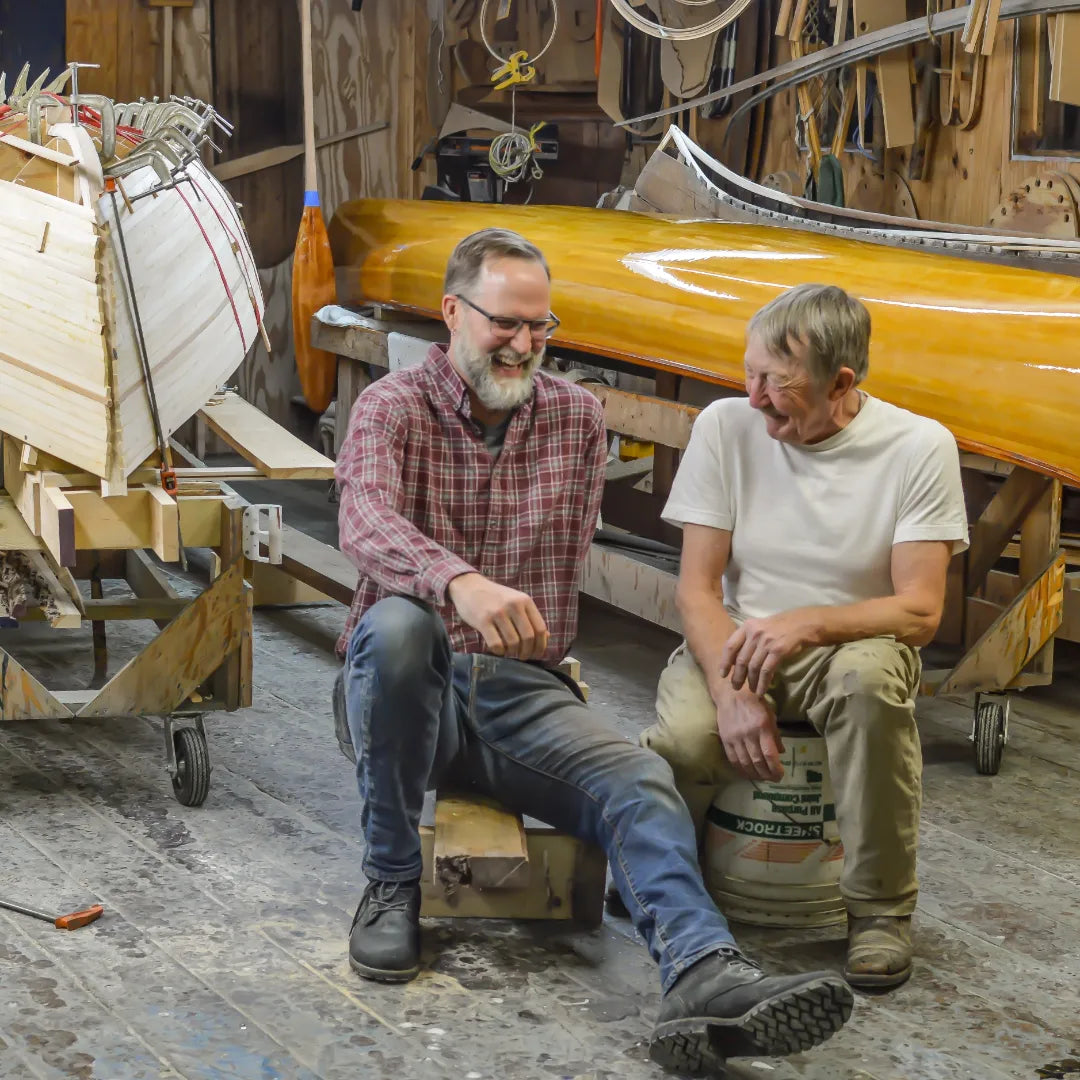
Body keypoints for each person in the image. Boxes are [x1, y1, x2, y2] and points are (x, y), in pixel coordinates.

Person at [333, 230, 853, 1073]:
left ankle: (701, 971)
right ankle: (392, 880)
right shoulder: (390, 407)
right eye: (506, 324)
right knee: (400, 626)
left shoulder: (575, 420)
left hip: (516, 693)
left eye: (542, 328)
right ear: (453, 312)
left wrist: (537, 675)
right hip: (401, 688)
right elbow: (363, 521)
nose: (526, 344)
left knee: (639, 776)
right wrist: (458, 581)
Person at [640, 283, 969, 991]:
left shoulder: (918, 447)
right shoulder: (726, 427)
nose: (753, 397)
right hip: (739, 641)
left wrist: (808, 622)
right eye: (749, 373)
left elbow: (919, 612)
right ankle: (666, 880)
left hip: (851, 644)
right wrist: (730, 694)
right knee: (686, 739)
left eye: (775, 383)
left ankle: (879, 910)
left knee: (869, 685)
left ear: (841, 383)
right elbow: (697, 590)